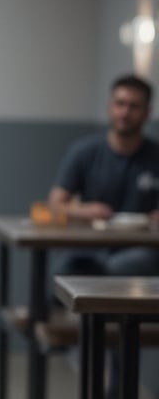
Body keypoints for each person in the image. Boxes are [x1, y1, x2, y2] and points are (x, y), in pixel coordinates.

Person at [49, 73, 159, 278]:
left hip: (141, 249)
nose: (125, 113)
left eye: (134, 106)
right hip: (88, 247)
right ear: (110, 106)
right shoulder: (84, 151)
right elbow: (55, 204)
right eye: (120, 104)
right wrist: (84, 211)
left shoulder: (155, 156)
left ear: (147, 112)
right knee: (64, 269)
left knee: (121, 267)